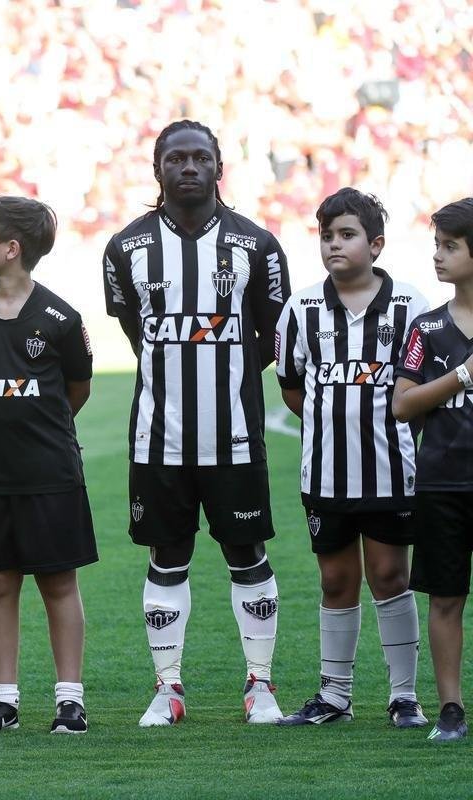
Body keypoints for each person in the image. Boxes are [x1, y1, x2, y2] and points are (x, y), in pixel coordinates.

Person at [102, 120, 290, 726]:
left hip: (234, 433)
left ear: (218, 167)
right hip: (160, 436)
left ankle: (260, 685)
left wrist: (228, 370)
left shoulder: (256, 245)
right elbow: (137, 332)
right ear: (157, 169)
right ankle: (168, 689)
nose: (189, 167)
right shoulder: (125, 248)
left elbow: (272, 330)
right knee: (166, 553)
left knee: (246, 550)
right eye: (176, 158)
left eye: (200, 158)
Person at [275, 188, 428, 728]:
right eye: (326, 235)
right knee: (335, 581)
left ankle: (403, 696)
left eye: (347, 235)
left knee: (390, 576)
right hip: (324, 471)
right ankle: (335, 696)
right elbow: (293, 388)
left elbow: (422, 388)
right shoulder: (301, 307)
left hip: (391, 469)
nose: (333, 245)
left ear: (376, 244)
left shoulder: (411, 306)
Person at [0, 196, 98, 734]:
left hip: (51, 472)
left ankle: (69, 699)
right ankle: (4, 700)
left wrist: (38, 427)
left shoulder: (61, 318)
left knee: (58, 583)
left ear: (11, 249)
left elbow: (75, 391)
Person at [392, 197, 473, 742]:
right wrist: (462, 376)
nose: (438, 257)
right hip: (444, 482)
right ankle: (450, 709)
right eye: (436, 246)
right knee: (445, 597)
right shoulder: (427, 327)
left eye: (450, 246)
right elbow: (402, 405)